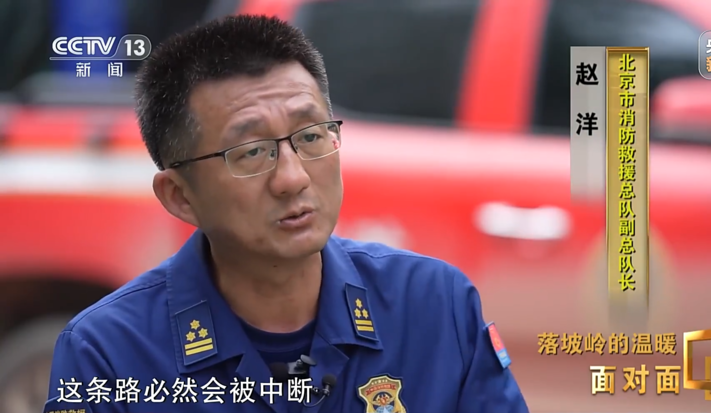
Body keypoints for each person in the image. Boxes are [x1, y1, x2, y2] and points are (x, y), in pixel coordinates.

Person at [43, 15, 529, 413]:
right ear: (180, 196)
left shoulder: (434, 305)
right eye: (252, 151)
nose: (292, 178)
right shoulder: (108, 354)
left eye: (311, 136)